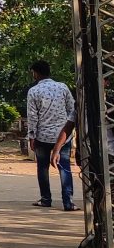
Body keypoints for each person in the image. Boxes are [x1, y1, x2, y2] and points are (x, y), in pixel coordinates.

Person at [27, 60, 77, 211]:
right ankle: (68, 202)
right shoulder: (62, 87)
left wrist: (31, 136)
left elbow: (32, 116)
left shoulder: (34, 91)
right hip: (63, 135)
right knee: (65, 167)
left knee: (42, 168)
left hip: (42, 136)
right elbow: (72, 108)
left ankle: (46, 199)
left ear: (35, 73)